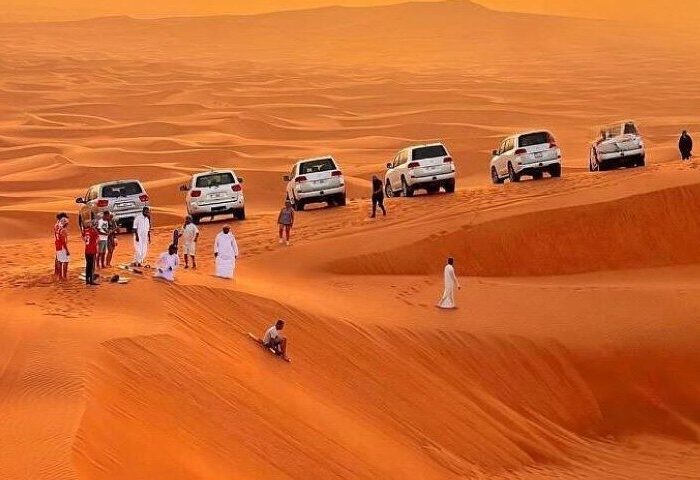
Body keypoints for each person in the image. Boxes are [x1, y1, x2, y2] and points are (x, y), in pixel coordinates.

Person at [82, 220, 100, 286]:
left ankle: (87, 280)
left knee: (88, 265)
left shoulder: (85, 231)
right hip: (92, 250)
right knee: (92, 266)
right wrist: (95, 243)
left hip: (87, 250)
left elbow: (83, 237)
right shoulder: (93, 231)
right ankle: (91, 280)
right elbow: (98, 239)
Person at [55, 216, 70, 281]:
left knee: (60, 261)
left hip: (58, 247)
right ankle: (64, 276)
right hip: (62, 247)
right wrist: (67, 250)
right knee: (65, 262)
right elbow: (63, 241)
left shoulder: (58, 229)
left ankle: (60, 277)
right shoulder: (63, 230)